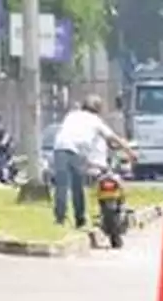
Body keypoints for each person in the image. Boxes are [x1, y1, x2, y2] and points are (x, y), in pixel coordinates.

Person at [51, 95, 135, 228]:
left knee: (61, 186)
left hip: (59, 148)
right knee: (77, 186)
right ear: (97, 109)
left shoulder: (72, 115)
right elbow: (113, 138)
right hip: (76, 152)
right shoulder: (95, 121)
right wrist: (130, 151)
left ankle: (59, 219)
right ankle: (80, 219)